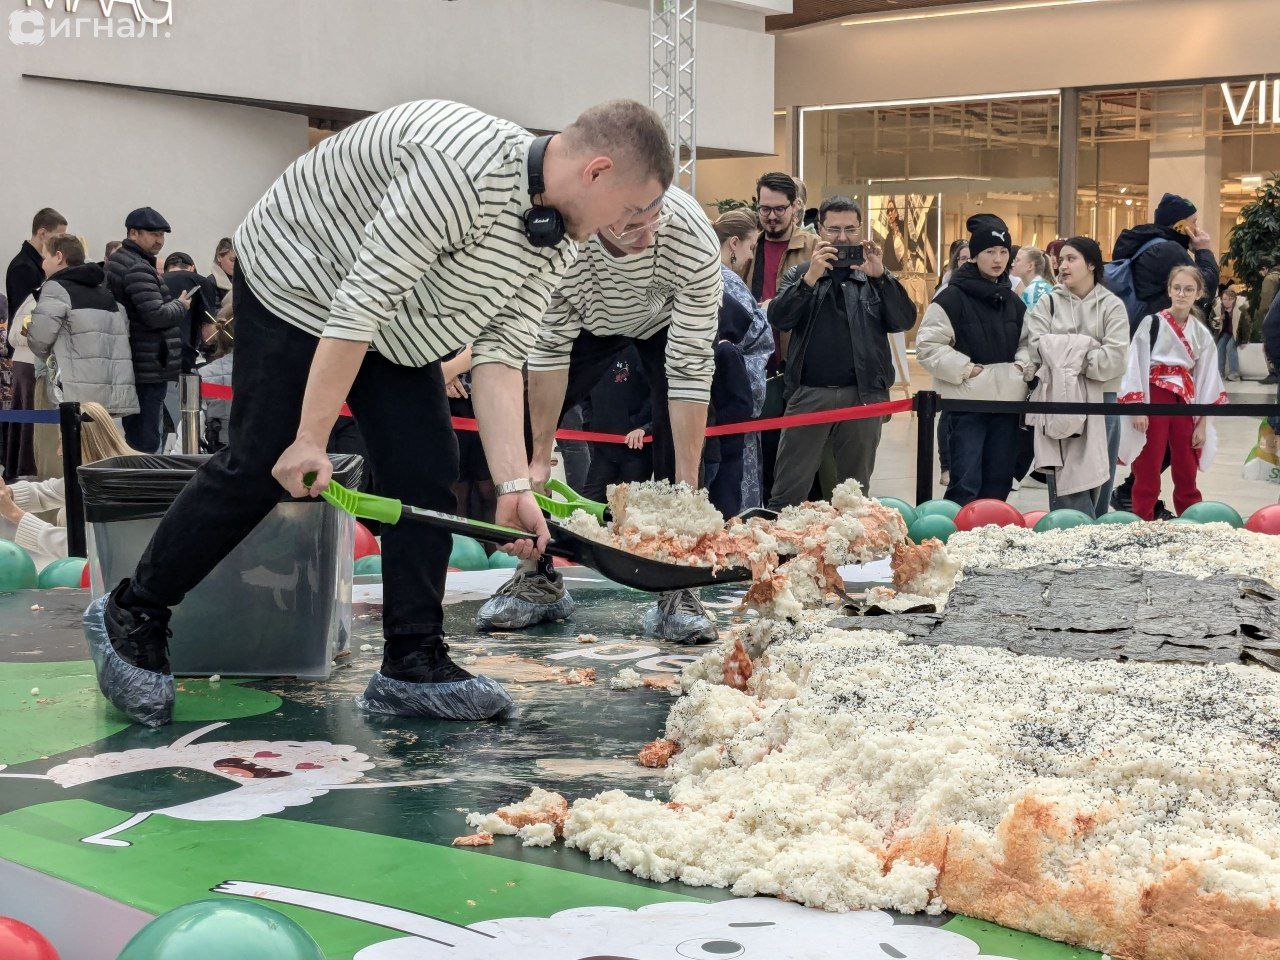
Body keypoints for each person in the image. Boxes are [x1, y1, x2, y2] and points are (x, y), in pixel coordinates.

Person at [86, 97, 675, 729]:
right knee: (263, 459)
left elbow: (502, 357)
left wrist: (512, 485)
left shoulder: (560, 233)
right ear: (598, 171)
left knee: (426, 468)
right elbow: (357, 306)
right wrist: (311, 438)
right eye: (636, 209)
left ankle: (411, 662)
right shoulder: (458, 171)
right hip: (301, 274)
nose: (639, 228)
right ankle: (133, 611)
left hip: (399, 318)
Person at [479, 184, 722, 645]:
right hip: (587, 322)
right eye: (632, 224)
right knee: (527, 443)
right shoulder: (562, 239)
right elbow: (549, 352)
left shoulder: (691, 236)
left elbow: (691, 368)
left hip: (665, 321)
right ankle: (537, 575)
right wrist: (538, 458)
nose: (647, 237)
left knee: (682, 463)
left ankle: (678, 588)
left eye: (654, 219)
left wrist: (688, 489)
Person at [766, 197, 916, 507]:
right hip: (809, 392)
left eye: (850, 229)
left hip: (863, 395)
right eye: (834, 229)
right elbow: (779, 318)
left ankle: (848, 551)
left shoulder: (872, 275)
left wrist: (882, 277)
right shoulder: (801, 274)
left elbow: (903, 320)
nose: (842, 237)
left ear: (861, 231)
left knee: (854, 494)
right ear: (820, 230)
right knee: (789, 490)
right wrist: (809, 279)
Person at [917, 214, 1032, 506]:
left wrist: (1020, 368)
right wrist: (969, 371)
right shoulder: (951, 298)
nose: (997, 259)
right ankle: (955, 543)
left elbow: (1029, 344)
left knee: (999, 481)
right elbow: (929, 346)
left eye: (1004, 252)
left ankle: (989, 541)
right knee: (965, 482)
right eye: (989, 252)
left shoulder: (1013, 300)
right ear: (975, 256)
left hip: (1006, 404)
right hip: (967, 404)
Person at [1023, 237, 1129, 516]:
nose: (1063, 266)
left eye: (1072, 259)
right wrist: (1087, 348)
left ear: (1092, 264)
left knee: (1099, 483)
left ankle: (1094, 547)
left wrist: (1063, 354)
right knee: (1065, 485)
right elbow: (1036, 347)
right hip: (1056, 400)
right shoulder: (1049, 302)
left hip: (1103, 401)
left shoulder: (1112, 305)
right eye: (1061, 260)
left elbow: (1114, 360)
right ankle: (1068, 541)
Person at [1118, 265, 1226, 520]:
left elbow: (1208, 378)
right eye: (1177, 288)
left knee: (1186, 466)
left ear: (1198, 293)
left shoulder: (1201, 333)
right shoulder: (1151, 323)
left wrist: (1202, 422)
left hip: (1186, 401)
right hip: (1154, 395)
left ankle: (1192, 519)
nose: (1182, 294)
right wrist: (1138, 407)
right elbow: (1135, 364)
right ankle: (1142, 520)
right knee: (1148, 463)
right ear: (1168, 290)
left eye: (1189, 289)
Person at [0, 402, 134, 571]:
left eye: (62, 442)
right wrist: (7, 492)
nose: (58, 451)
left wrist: (15, 515)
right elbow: (48, 491)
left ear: (84, 442)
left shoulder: (116, 487)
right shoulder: (110, 472)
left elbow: (89, 552)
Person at [26, 234, 138, 419]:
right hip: (110, 394)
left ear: (59, 256)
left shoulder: (55, 288)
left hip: (73, 394)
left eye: (46, 257)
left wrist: (51, 358)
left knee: (71, 446)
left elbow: (39, 340)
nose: (43, 263)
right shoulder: (104, 292)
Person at [107, 207, 191, 454]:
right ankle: (144, 489)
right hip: (148, 363)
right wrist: (180, 305)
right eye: (153, 234)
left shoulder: (122, 260)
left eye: (162, 235)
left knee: (138, 433)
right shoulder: (137, 267)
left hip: (137, 359)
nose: (159, 240)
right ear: (133, 233)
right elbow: (156, 315)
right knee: (146, 439)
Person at [712, 209, 770, 509]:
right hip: (731, 397)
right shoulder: (728, 280)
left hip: (706, 399)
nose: (750, 256)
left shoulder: (703, 273)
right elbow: (758, 336)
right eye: (750, 246)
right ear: (733, 243)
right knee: (733, 484)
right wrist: (765, 314)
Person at [1110, 192, 1219, 331]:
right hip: (1160, 334)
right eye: (1194, 222)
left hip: (1143, 327)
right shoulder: (1168, 251)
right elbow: (1205, 289)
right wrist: (1204, 251)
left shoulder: (1148, 243)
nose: (1197, 228)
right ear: (1180, 226)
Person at [580, 345, 653, 503]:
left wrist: (645, 428)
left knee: (629, 511)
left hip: (636, 450)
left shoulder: (639, 350)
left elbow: (658, 396)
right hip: (603, 448)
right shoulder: (594, 352)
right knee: (587, 506)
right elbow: (584, 391)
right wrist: (590, 423)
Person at [934, 240, 971, 487]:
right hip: (953, 365)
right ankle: (946, 465)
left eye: (971, 257)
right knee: (947, 415)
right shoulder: (946, 289)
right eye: (963, 258)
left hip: (980, 371)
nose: (967, 262)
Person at [162, 251, 221, 374]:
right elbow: (208, 333)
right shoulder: (202, 282)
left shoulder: (156, 280)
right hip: (186, 355)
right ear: (192, 267)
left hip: (156, 354)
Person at [6, 208, 67, 324]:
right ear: (42, 233)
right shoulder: (22, 267)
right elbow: (25, 315)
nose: (62, 243)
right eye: (59, 237)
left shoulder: (42, 263)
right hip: (24, 338)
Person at [1212, 285, 1245, 382]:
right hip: (1226, 332)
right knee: (1220, 346)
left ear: (1234, 299)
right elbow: (1212, 322)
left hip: (1237, 333)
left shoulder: (1241, 308)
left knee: (1230, 346)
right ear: (1221, 299)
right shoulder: (1217, 308)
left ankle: (1234, 372)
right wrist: (1217, 322)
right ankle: (1219, 371)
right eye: (1225, 299)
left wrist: (1244, 339)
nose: (1227, 301)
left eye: (1230, 299)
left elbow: (1246, 325)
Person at [209, 238, 236, 309]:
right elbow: (212, 313)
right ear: (219, 257)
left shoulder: (242, 279)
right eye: (232, 260)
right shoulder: (211, 281)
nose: (236, 265)